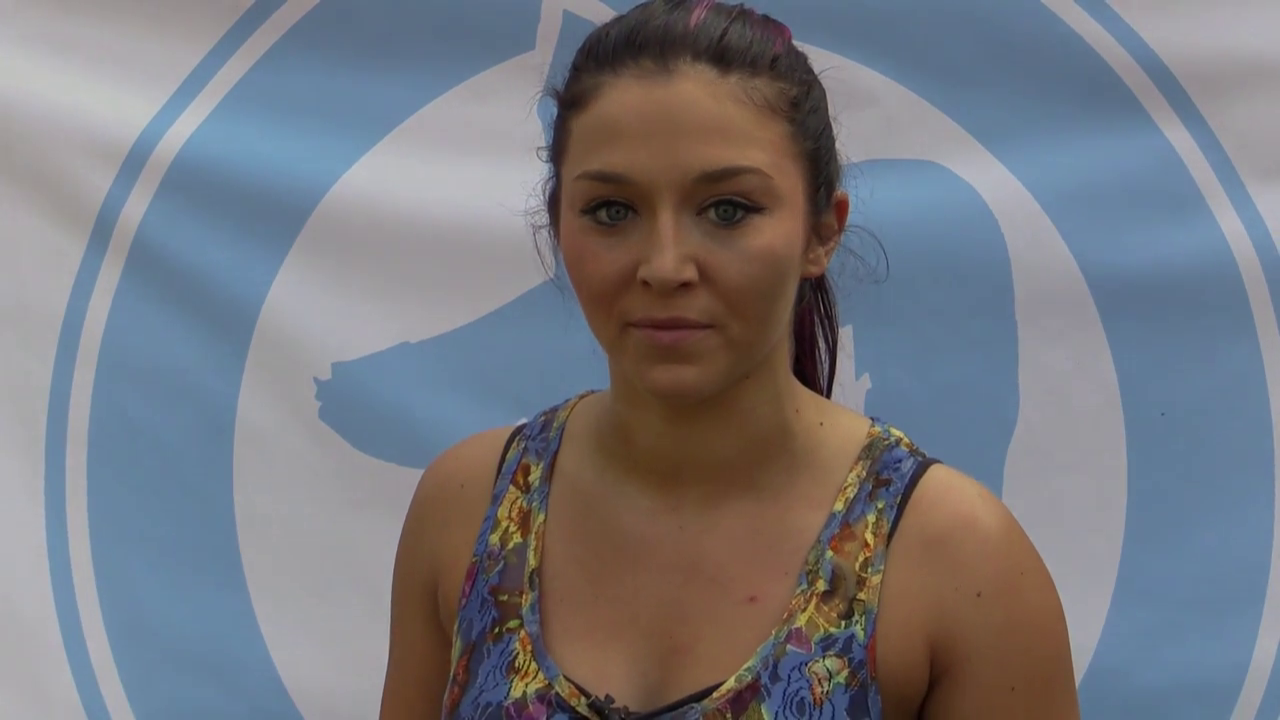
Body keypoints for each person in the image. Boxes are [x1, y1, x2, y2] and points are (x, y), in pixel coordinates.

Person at [379, 1, 1079, 717]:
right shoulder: (469, 507)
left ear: (821, 232)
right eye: (612, 211)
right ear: (560, 226)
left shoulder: (954, 561)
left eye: (727, 210)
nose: (665, 266)